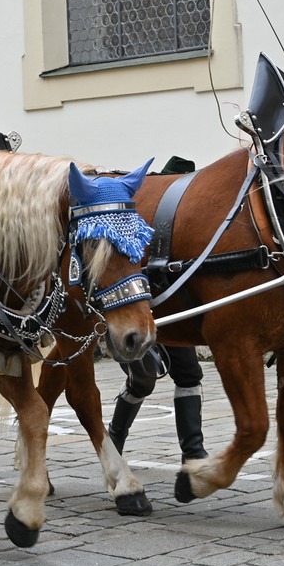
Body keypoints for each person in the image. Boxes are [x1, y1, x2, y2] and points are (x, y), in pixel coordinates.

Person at [105, 155, 209, 464]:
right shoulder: (136, 225)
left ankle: (192, 452)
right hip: (134, 316)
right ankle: (113, 440)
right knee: (142, 381)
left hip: (170, 315)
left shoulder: (188, 235)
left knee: (189, 374)